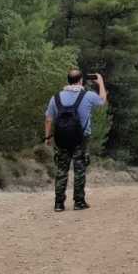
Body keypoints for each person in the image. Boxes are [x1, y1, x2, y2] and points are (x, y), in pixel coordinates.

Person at [44, 69, 107, 212]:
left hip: (61, 138)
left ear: (68, 80)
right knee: (79, 170)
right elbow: (103, 101)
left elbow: (48, 119)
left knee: (61, 170)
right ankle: (79, 202)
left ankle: (59, 204)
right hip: (81, 138)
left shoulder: (56, 97)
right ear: (81, 81)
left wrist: (48, 137)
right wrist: (101, 82)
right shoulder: (88, 95)